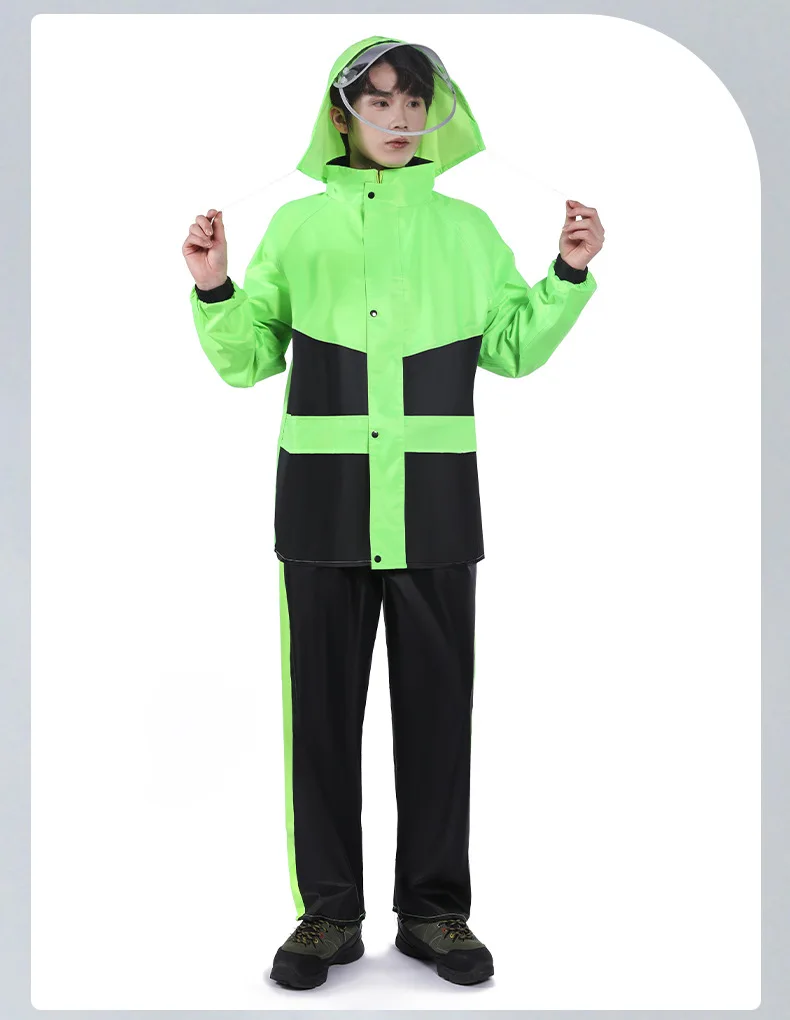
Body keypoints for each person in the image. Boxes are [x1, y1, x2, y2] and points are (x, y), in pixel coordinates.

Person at [182, 35, 603, 991]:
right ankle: (328, 916)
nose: (402, 119)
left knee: (439, 720)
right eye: (381, 102)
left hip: (437, 512)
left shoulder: (468, 230)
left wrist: (568, 273)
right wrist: (213, 284)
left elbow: (512, 347)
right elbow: (248, 359)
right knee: (321, 723)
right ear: (343, 116)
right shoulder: (298, 228)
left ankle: (434, 914)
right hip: (324, 513)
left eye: (416, 101)